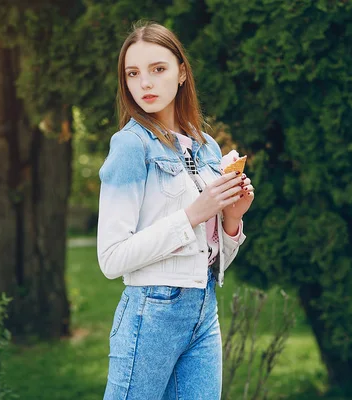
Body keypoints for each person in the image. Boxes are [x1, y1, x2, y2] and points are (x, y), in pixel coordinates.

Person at [96, 21, 255, 400]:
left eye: (158, 69)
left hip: (203, 309)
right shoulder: (131, 147)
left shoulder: (207, 149)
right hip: (150, 313)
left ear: (182, 72)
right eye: (133, 73)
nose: (145, 83)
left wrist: (232, 219)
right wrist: (193, 214)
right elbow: (111, 258)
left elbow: (209, 260)